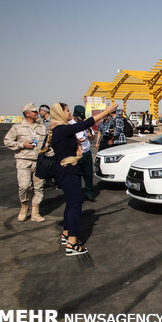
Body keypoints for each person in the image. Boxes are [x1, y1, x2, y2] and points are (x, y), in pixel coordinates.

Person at [45, 102, 117, 255]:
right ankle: (72, 243)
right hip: (68, 170)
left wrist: (76, 146)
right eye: (67, 110)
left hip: (65, 168)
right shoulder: (63, 129)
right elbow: (86, 123)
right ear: (60, 113)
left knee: (71, 204)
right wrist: (106, 112)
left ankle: (66, 233)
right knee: (75, 206)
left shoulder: (59, 129)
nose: (69, 112)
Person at [3, 103, 47, 222]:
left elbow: (46, 143)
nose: (37, 113)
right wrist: (22, 144)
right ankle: (24, 207)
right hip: (23, 161)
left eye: (37, 111)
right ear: (27, 113)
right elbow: (7, 141)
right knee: (24, 186)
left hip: (39, 161)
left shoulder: (42, 128)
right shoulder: (17, 127)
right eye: (34, 112)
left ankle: (35, 212)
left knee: (39, 187)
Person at [72, 105, 96, 202]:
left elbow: (93, 136)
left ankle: (89, 192)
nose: (80, 121)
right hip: (75, 154)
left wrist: (91, 136)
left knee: (88, 174)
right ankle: (76, 194)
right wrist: (76, 140)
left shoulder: (86, 124)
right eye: (79, 118)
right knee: (75, 176)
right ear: (74, 116)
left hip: (86, 153)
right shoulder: (70, 125)